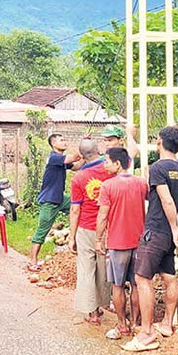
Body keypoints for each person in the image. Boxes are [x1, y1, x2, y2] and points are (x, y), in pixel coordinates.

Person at [122, 126, 178, 352]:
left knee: (142, 278)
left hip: (157, 229)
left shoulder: (158, 167)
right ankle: (167, 324)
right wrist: (174, 231)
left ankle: (147, 333)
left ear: (159, 142)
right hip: (167, 234)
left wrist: (174, 227)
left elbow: (166, 200)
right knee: (170, 276)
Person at [95, 147, 148, 340]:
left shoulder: (108, 186)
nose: (105, 164)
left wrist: (98, 239)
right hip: (139, 242)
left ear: (118, 164)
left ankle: (121, 325)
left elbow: (102, 216)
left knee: (117, 286)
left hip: (117, 243)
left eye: (107, 161)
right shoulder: (141, 184)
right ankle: (135, 323)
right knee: (136, 284)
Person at [68, 139, 113, 326]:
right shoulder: (111, 169)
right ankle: (104, 303)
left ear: (81, 155)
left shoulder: (78, 178)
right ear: (98, 150)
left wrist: (72, 236)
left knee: (87, 269)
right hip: (109, 227)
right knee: (104, 268)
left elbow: (75, 209)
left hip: (86, 227)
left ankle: (92, 313)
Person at [27, 134, 82, 272]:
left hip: (59, 198)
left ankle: (75, 235)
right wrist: (84, 144)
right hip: (49, 200)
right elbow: (74, 157)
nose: (64, 142)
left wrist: (87, 159)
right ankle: (33, 261)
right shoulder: (54, 158)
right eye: (61, 140)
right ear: (53, 144)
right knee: (42, 231)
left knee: (80, 204)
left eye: (64, 139)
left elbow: (76, 166)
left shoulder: (61, 160)